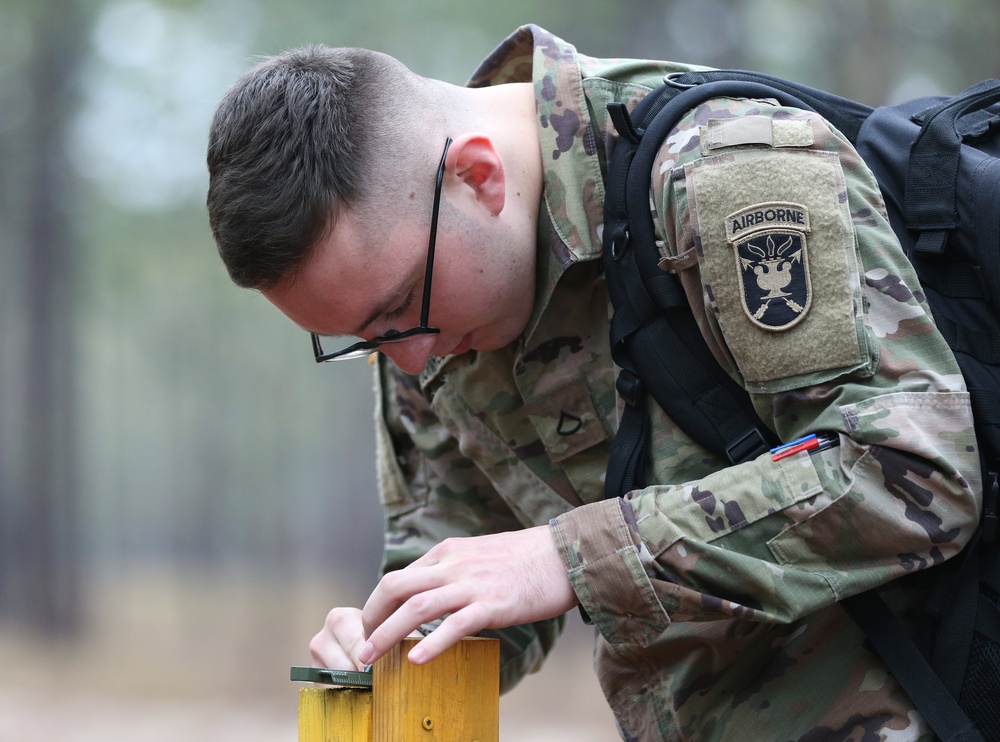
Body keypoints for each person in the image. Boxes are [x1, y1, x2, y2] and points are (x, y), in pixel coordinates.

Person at [206, 24, 982, 741]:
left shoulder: (726, 173)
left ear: (477, 176)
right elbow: (470, 561)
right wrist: (390, 641)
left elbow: (910, 470)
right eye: (362, 339)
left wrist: (571, 558)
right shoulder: (425, 301)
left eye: (400, 311)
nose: (408, 361)